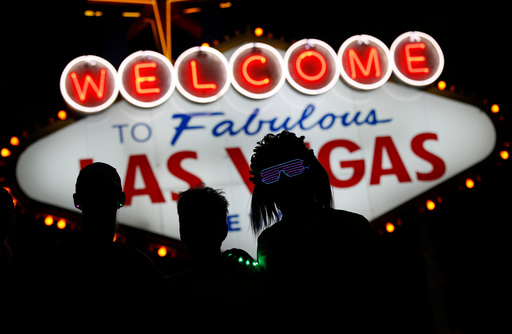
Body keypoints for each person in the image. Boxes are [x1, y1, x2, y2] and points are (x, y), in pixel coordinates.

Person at [249, 130, 380, 328]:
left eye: (292, 168)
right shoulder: (353, 225)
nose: (283, 180)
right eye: (271, 175)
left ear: (310, 171)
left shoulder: (270, 242)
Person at [56, 162, 164, 321]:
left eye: (103, 196)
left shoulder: (55, 258)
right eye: (95, 197)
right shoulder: (136, 265)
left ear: (77, 201)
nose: (99, 204)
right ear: (121, 200)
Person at [161, 183, 263, 326]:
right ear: (224, 229)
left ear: (183, 231)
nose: (200, 232)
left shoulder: (166, 293)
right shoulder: (251, 284)